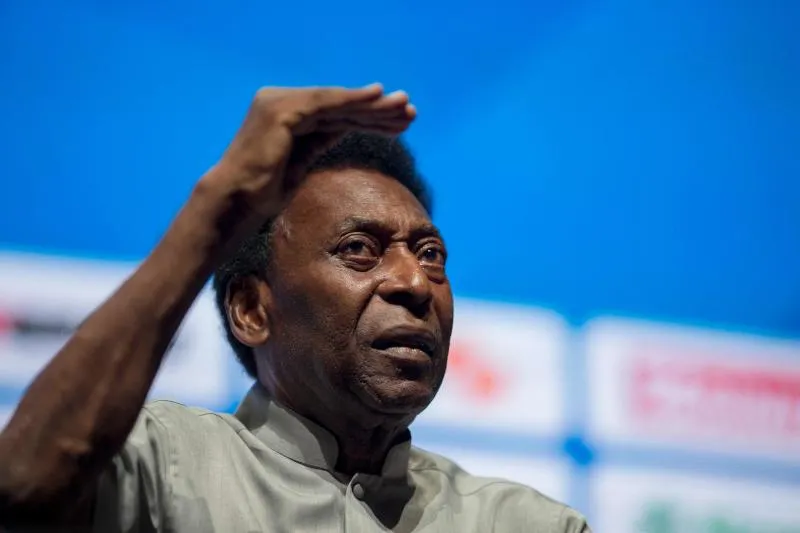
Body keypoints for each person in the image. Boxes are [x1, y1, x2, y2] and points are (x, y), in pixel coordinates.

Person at [0, 84, 591, 532]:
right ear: (252, 310)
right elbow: (23, 484)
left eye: (430, 254)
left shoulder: (527, 524)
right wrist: (217, 209)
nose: (415, 282)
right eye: (358, 249)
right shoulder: (161, 468)